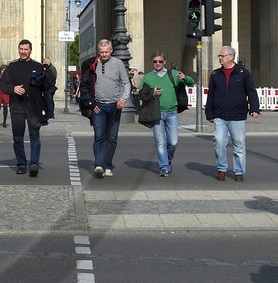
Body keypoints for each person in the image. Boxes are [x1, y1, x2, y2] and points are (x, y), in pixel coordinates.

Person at [78, 39, 131, 178]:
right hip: (98, 106)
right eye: (101, 52)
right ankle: (99, 165)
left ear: (111, 51)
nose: (104, 55)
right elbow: (85, 85)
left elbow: (126, 83)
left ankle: (108, 165)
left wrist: (123, 99)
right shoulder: (92, 64)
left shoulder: (118, 63)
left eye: (106, 52)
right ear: (98, 52)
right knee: (99, 136)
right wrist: (91, 103)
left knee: (112, 138)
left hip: (115, 105)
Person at [205, 45, 259, 181]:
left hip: (237, 115)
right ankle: (221, 169)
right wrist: (209, 113)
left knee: (239, 144)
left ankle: (239, 171)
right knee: (219, 142)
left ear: (231, 57)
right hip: (220, 115)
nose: (220, 58)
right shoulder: (215, 74)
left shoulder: (243, 73)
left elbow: (251, 91)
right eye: (219, 56)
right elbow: (211, 94)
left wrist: (254, 108)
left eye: (222, 56)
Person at [138, 52, 193, 177]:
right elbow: (141, 94)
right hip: (157, 113)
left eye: (160, 61)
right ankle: (164, 167)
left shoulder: (173, 74)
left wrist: (184, 77)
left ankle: (167, 161)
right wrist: (152, 93)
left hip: (172, 112)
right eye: (155, 61)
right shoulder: (147, 77)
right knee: (160, 142)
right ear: (152, 62)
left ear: (165, 62)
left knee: (173, 142)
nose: (158, 64)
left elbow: (191, 83)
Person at [0, 40, 52, 176]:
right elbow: (3, 85)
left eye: (26, 49)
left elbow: (47, 86)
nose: (23, 52)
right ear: (18, 50)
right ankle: (22, 164)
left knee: (35, 136)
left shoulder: (38, 66)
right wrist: (13, 88)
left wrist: (42, 79)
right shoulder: (12, 67)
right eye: (21, 49)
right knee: (18, 138)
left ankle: (34, 163)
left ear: (30, 50)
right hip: (17, 106)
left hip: (34, 107)